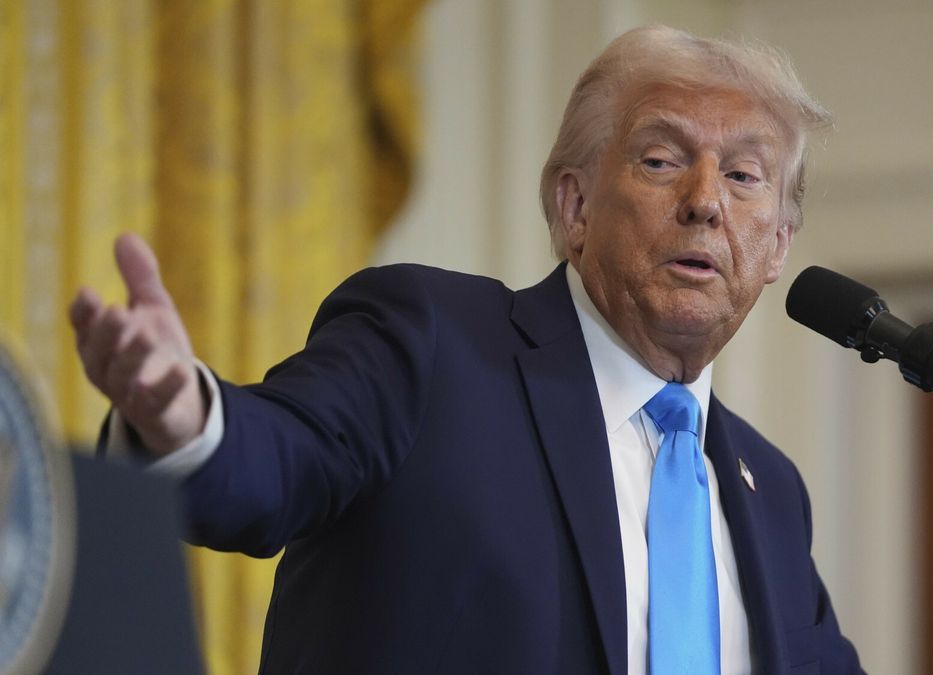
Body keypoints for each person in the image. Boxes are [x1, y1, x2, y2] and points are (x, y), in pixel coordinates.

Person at [69, 25, 865, 675]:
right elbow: (271, 462)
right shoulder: (430, 344)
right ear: (575, 203)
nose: (703, 201)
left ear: (778, 247)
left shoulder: (772, 496)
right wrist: (185, 419)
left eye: (744, 175)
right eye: (660, 160)